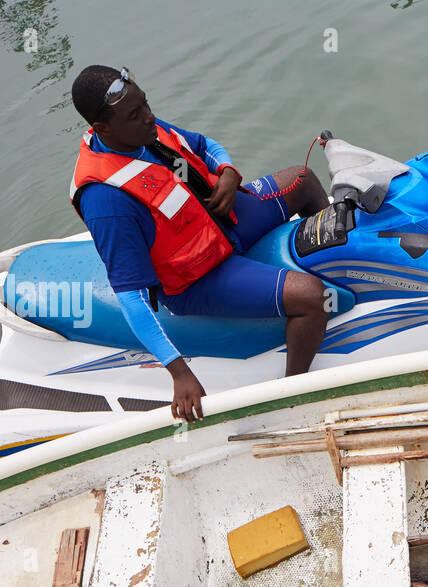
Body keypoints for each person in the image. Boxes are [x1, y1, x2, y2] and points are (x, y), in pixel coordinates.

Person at [68, 65, 331, 422]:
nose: (149, 117)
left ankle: (340, 260)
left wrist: (226, 172)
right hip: (197, 277)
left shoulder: (146, 131)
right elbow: (130, 296)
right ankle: (293, 393)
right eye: (135, 114)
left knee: (304, 179)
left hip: (223, 221)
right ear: (102, 129)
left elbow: (206, 147)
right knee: (311, 297)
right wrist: (179, 373)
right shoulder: (106, 201)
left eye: (145, 104)